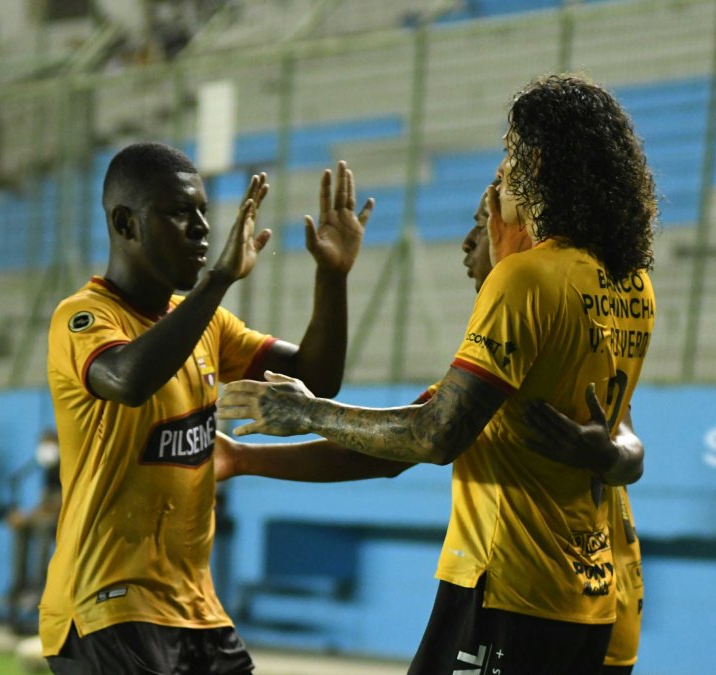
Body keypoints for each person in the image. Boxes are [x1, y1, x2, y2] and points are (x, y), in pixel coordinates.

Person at [220, 73, 657, 675]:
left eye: (510, 158)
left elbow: (432, 435)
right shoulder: (632, 285)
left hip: (508, 587)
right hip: (593, 601)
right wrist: (244, 461)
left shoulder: (528, 281)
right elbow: (621, 437)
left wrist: (304, 410)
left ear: (538, 163)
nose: (471, 235)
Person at [40, 141, 371, 675]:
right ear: (125, 224)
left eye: (203, 212)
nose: (201, 229)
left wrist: (331, 277)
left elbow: (315, 377)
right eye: (178, 213)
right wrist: (217, 281)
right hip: (107, 603)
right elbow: (127, 379)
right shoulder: (81, 318)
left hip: (195, 608)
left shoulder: (208, 326)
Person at [6, 428, 63, 634]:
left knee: (43, 528)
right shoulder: (47, 469)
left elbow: (62, 502)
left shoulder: (67, 464)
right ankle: (20, 586)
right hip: (46, 517)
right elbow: (45, 501)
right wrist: (24, 516)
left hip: (63, 522)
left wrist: (37, 515)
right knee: (20, 528)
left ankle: (40, 586)